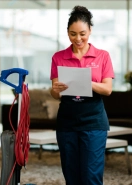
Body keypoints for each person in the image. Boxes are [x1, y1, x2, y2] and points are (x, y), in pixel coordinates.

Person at [50, 5, 114, 185]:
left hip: (94, 122)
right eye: (73, 34)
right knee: (71, 174)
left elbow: (108, 89)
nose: (78, 39)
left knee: (91, 175)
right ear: (67, 33)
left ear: (90, 31)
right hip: (67, 122)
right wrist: (55, 90)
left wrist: (87, 82)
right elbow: (55, 92)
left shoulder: (103, 56)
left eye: (82, 34)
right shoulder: (58, 57)